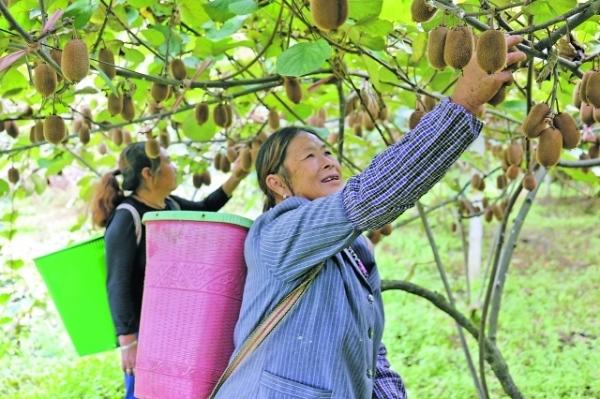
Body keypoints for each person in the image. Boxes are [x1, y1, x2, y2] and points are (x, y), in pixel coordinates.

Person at [214, 35, 526, 398]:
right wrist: (464, 103)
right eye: (310, 156)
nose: (329, 160)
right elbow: (367, 198)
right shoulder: (276, 233)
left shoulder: (352, 252)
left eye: (328, 152)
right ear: (277, 184)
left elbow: (370, 356)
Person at [91, 141, 248, 399]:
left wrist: (237, 175)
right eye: (167, 161)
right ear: (148, 173)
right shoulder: (127, 217)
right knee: (145, 393)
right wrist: (128, 342)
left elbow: (206, 209)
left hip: (174, 323)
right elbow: (117, 283)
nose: (173, 167)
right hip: (143, 330)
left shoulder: (170, 206)